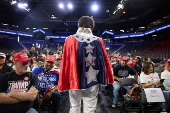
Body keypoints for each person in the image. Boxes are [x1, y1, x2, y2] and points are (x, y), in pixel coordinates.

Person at [58, 16, 114, 113]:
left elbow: (65, 63)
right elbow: (104, 61)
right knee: (90, 109)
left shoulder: (69, 40)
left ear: (79, 25)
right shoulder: (99, 41)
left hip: (74, 80)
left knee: (74, 107)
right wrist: (105, 77)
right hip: (93, 79)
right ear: (92, 26)